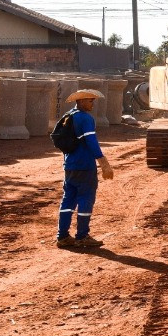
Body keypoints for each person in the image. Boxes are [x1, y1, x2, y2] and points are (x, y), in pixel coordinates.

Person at [56, 89, 114, 248]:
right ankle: (82, 236)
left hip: (70, 166)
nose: (92, 104)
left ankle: (62, 237)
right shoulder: (85, 119)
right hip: (85, 166)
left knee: (68, 200)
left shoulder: (68, 117)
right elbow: (91, 141)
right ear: (80, 102)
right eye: (90, 101)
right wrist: (103, 162)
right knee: (86, 200)